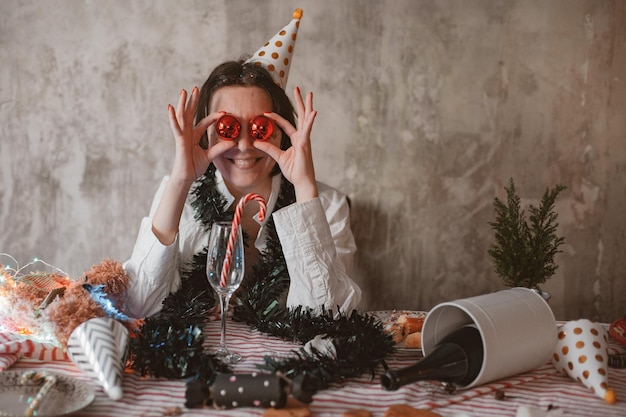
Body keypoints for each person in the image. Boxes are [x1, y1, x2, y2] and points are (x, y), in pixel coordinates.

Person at [123, 9, 361, 319]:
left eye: (260, 128)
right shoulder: (176, 196)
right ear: (206, 135)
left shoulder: (328, 206)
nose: (245, 145)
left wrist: (304, 188)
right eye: (228, 128)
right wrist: (180, 181)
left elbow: (327, 318)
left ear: (280, 133)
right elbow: (139, 307)